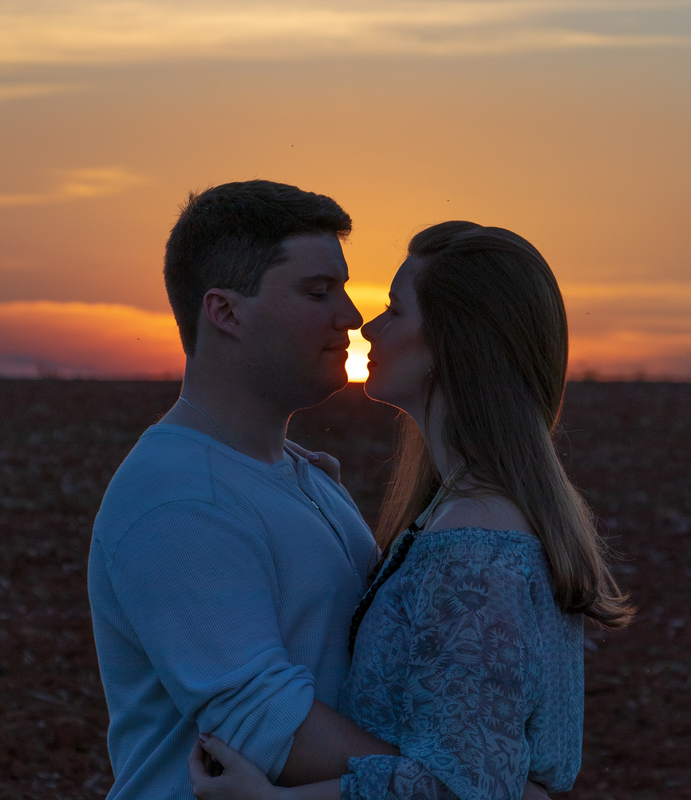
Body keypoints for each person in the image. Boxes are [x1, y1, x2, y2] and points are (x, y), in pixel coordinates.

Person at [188, 221, 635, 800]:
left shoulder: (476, 548)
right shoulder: (467, 515)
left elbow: (462, 786)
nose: (368, 327)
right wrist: (322, 511)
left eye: (394, 311)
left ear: (449, 345)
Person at [88, 180, 399, 799]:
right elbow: (268, 728)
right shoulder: (181, 499)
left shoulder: (300, 474)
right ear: (226, 312)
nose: (351, 315)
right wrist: (460, 786)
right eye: (318, 292)